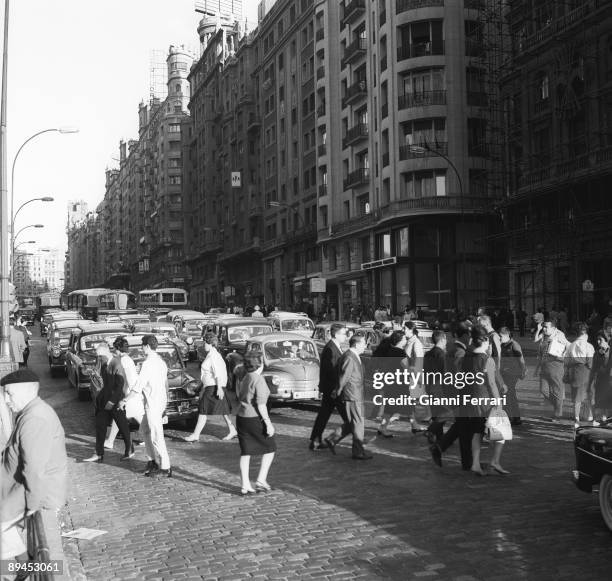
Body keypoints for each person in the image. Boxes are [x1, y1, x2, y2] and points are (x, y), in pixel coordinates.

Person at [1, 369, 67, 564]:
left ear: (25, 392)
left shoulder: (35, 418)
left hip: (36, 491)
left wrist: (33, 504)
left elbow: (34, 469)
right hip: (23, 485)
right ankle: (21, 562)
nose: (6, 400)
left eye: (9, 394)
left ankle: (22, 563)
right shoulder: (31, 411)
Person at [121, 335, 172, 477]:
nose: (142, 348)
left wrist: (125, 400)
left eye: (143, 346)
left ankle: (165, 467)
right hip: (158, 402)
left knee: (156, 436)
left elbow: (138, 386)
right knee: (144, 430)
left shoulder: (148, 364)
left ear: (147, 346)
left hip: (153, 404)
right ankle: (152, 461)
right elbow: (165, 384)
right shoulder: (161, 362)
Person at [462, 325, 508, 476]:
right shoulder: (487, 360)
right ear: (485, 341)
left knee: (477, 432)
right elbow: (492, 384)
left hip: (471, 400)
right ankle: (495, 461)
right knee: (501, 432)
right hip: (486, 401)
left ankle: (475, 463)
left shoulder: (467, 357)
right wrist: (499, 403)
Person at [430, 320, 473, 469]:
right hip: (459, 394)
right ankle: (466, 461)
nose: (470, 338)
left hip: (452, 392)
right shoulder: (460, 351)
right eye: (469, 335)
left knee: (462, 426)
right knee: (465, 427)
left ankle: (442, 448)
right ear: (465, 336)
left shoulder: (451, 348)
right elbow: (459, 375)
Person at [324, 334, 372, 460]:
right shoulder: (350, 357)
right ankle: (358, 451)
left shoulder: (352, 356)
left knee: (352, 422)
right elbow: (344, 377)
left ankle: (332, 439)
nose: (365, 346)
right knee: (358, 422)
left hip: (354, 393)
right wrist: (337, 390)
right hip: (353, 395)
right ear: (356, 344)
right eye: (363, 343)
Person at [83, 342, 133, 463]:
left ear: (106, 352)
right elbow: (106, 384)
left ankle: (129, 449)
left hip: (115, 401)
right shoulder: (105, 363)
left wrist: (112, 401)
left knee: (123, 426)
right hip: (105, 400)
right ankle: (98, 453)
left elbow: (120, 384)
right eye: (98, 356)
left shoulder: (117, 363)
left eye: (100, 355)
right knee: (100, 426)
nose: (99, 358)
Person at [235, 352, 276, 494]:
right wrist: (268, 423)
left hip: (241, 417)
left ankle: (245, 484)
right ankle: (261, 479)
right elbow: (261, 405)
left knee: (246, 452)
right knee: (270, 447)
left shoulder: (245, 377)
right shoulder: (258, 379)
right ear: (260, 364)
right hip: (254, 418)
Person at [184, 332, 237, 442]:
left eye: (205, 343)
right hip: (213, 386)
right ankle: (232, 430)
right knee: (223, 409)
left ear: (210, 343)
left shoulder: (213, 356)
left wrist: (219, 388)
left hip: (214, 387)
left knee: (203, 410)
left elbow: (217, 373)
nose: (204, 345)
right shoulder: (212, 354)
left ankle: (195, 434)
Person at [309, 323, 349, 449]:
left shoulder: (334, 347)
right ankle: (333, 440)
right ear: (336, 334)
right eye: (344, 333)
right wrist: (338, 388)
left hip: (331, 388)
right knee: (350, 419)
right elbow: (331, 371)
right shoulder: (330, 348)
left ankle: (315, 440)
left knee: (324, 414)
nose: (346, 337)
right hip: (334, 389)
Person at [105, 336, 144, 450]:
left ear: (117, 348)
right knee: (121, 416)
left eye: (114, 348)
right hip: (131, 392)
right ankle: (110, 441)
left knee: (137, 417)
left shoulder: (123, 360)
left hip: (129, 393)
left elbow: (125, 378)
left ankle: (149, 437)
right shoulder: (127, 359)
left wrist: (125, 395)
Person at [534, 317, 570, 420]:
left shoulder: (559, 335)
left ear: (553, 328)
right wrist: (537, 367)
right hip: (544, 366)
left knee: (557, 391)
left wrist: (562, 355)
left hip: (556, 366)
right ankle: (557, 406)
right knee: (543, 390)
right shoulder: (545, 336)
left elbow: (569, 346)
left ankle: (558, 414)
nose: (544, 329)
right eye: (543, 326)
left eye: (546, 327)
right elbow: (540, 351)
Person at [375, 330, 408, 438]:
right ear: (400, 340)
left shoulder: (391, 350)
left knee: (391, 406)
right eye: (404, 338)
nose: (405, 340)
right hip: (398, 384)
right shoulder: (400, 353)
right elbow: (407, 367)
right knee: (393, 407)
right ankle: (383, 427)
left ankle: (383, 427)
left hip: (390, 381)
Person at [565, 322, 595, 427]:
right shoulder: (589, 346)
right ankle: (590, 417)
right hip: (586, 372)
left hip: (574, 372)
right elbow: (590, 363)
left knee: (576, 397)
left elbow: (567, 362)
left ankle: (576, 418)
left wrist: (567, 373)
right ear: (585, 334)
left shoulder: (571, 346)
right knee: (589, 395)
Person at [499, 326, 526, 426]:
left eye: (501, 336)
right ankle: (515, 417)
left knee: (508, 394)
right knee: (510, 395)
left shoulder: (514, 345)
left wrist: (523, 371)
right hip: (504, 373)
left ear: (507, 335)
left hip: (512, 374)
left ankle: (512, 417)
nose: (499, 338)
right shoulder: (502, 345)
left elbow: (521, 359)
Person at [404, 321, 428, 433]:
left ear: (411, 330)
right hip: (408, 375)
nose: (403, 331)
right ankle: (414, 424)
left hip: (414, 375)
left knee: (419, 399)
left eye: (405, 329)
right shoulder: (408, 341)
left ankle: (431, 421)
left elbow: (419, 360)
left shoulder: (416, 343)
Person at [589, 332, 612, 426]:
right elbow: (594, 366)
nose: (598, 342)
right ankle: (599, 419)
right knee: (598, 399)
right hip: (599, 380)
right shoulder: (598, 352)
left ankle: (605, 419)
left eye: (601, 340)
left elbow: (606, 366)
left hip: (608, 380)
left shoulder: (609, 352)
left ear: (607, 341)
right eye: (597, 339)